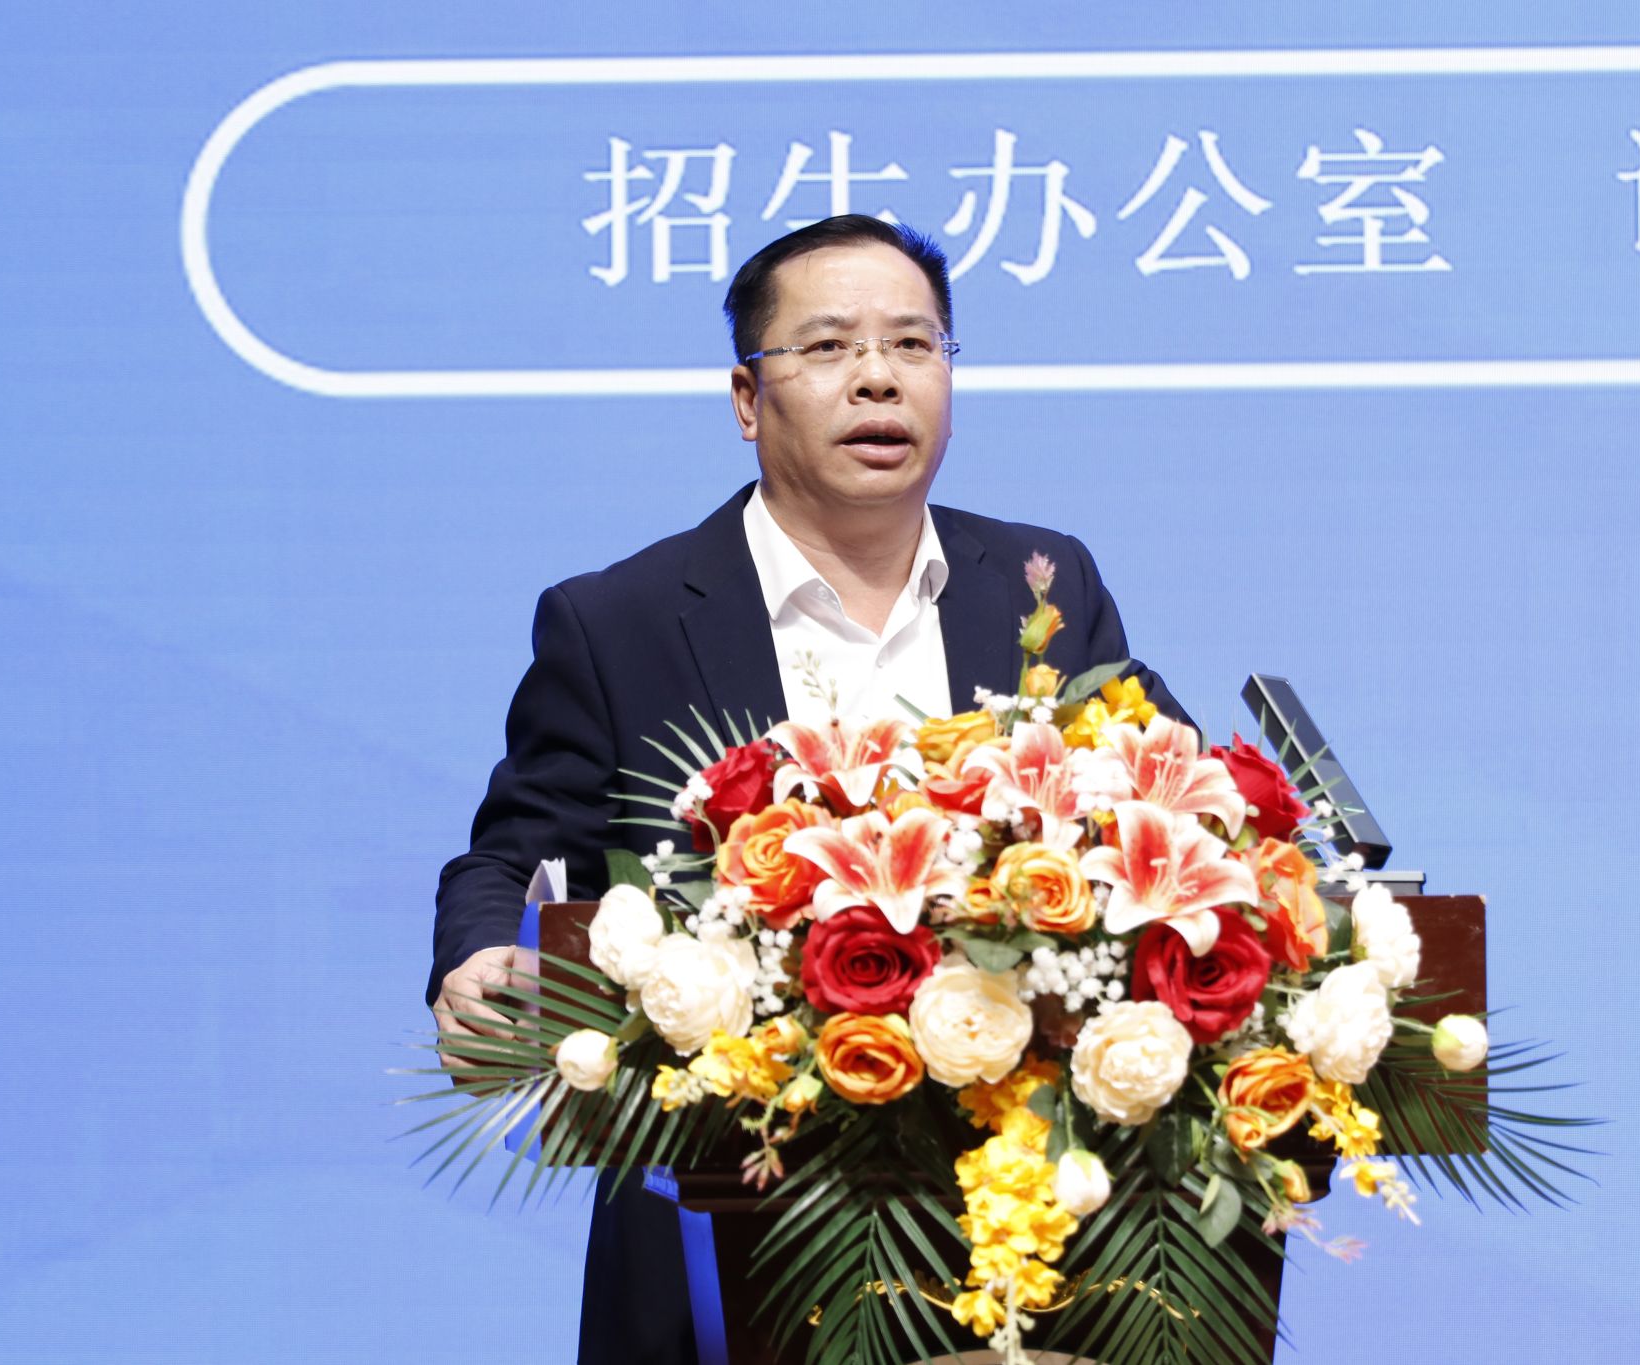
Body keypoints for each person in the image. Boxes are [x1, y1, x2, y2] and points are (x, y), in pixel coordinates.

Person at [429, 214, 1181, 1364]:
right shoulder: (619, 620)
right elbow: (518, 849)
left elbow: (1155, 803)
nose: (878, 377)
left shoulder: (1044, 584)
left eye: (913, 345)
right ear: (747, 397)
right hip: (724, 1217)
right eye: (828, 347)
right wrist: (483, 952)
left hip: (1029, 1231)